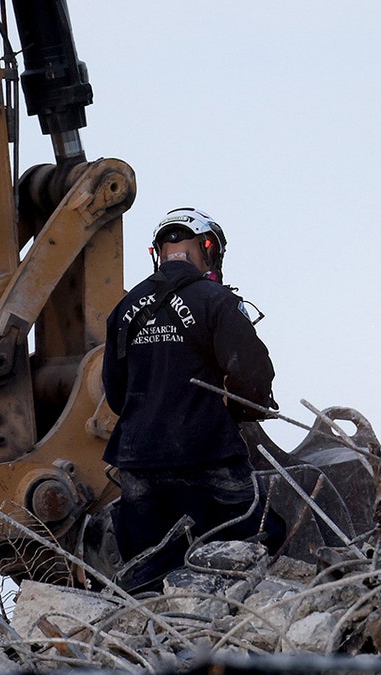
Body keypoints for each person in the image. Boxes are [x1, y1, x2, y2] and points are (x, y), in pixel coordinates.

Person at [102, 207, 284, 586]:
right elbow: (251, 376)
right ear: (207, 249)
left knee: (148, 568)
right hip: (206, 454)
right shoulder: (215, 300)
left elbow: (115, 390)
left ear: (159, 253)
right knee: (263, 534)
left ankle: (153, 638)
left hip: (137, 460)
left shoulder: (124, 310)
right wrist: (236, 410)